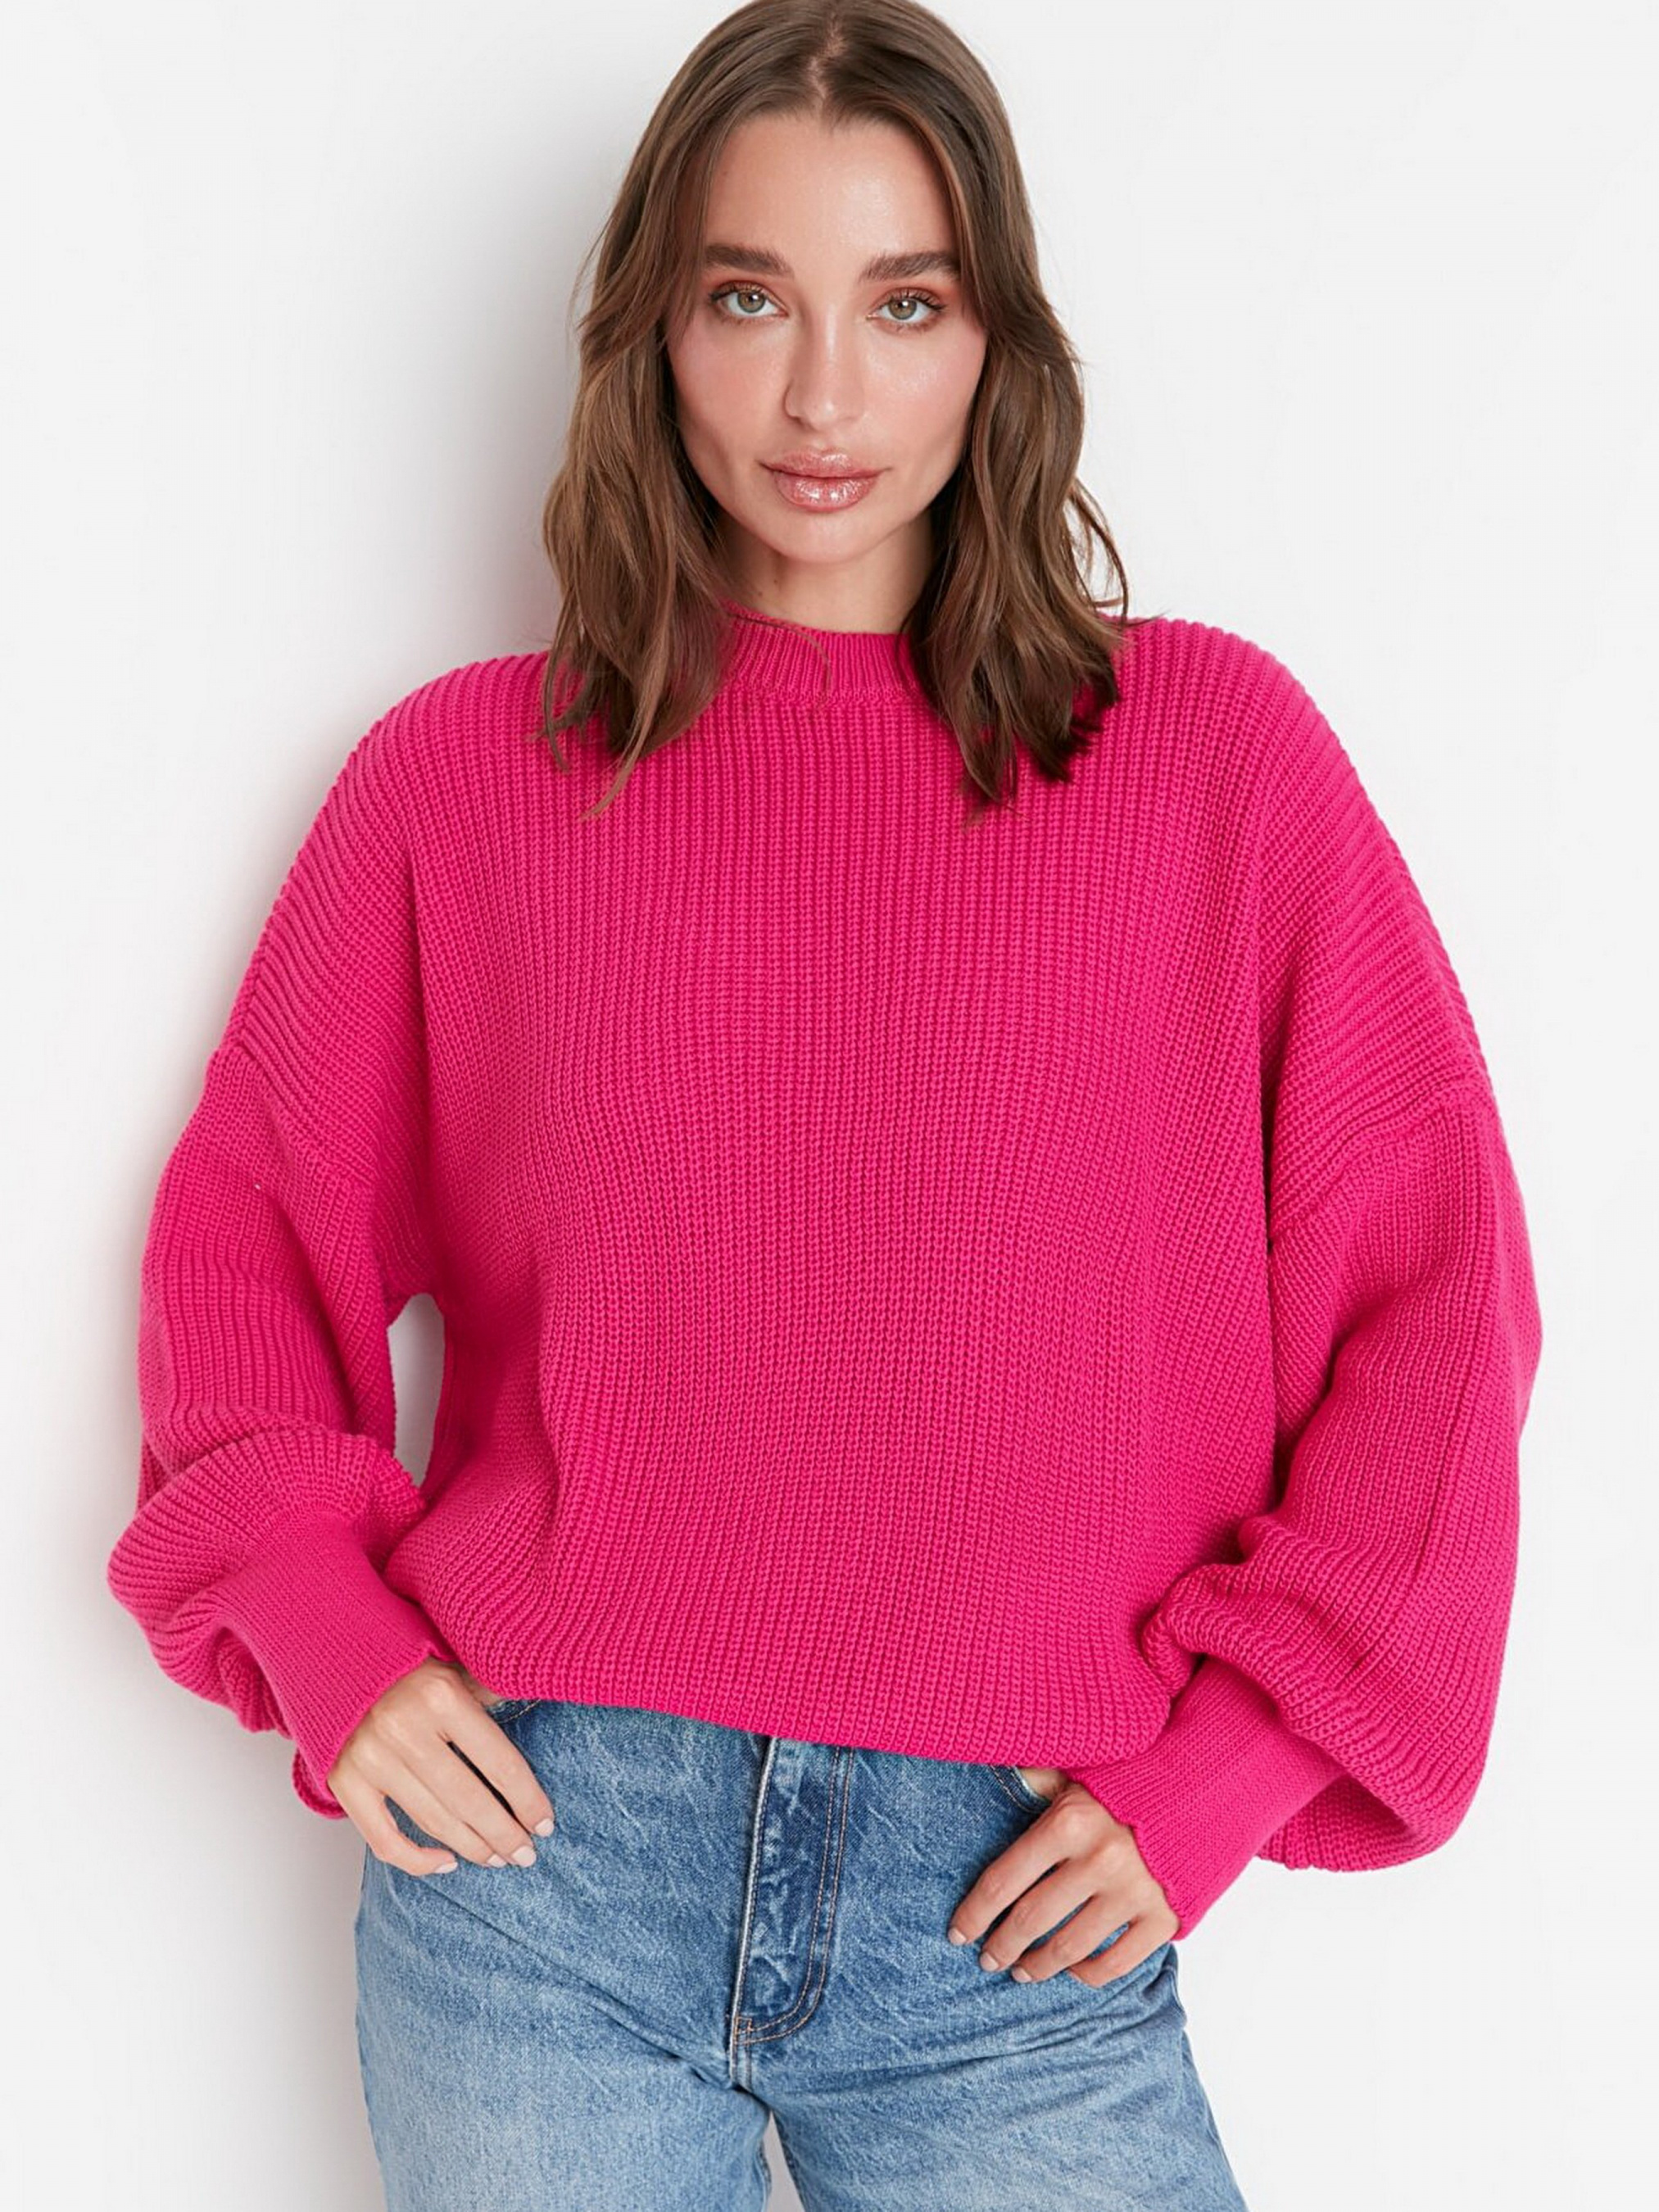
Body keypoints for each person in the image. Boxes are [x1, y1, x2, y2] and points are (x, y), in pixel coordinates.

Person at [106, 2, 1543, 2205]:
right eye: (748, 298)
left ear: (997, 342)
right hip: (540, 1882)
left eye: (906, 304)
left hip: (1012, 1909)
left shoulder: (1210, 766)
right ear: (653, 332)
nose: (821, 400)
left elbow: (1438, 1296)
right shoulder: (464, 783)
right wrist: (328, 1638)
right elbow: (245, 1241)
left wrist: (1235, 1761)